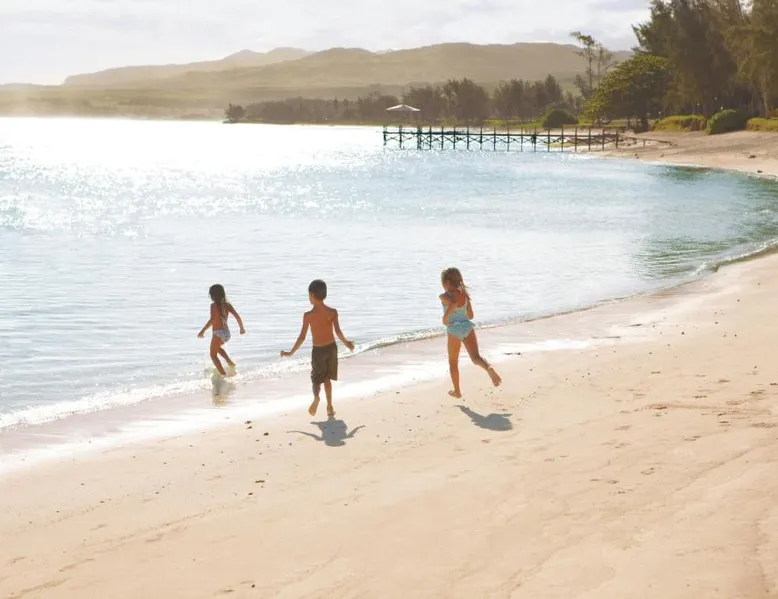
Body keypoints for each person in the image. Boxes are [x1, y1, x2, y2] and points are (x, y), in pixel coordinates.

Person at [280, 279, 355, 417]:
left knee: (316, 380)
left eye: (309, 295)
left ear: (312, 295)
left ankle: (316, 397)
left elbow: (301, 337)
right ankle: (330, 407)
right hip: (331, 348)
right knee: (327, 379)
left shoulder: (308, 316)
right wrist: (347, 343)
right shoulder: (332, 312)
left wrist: (290, 352)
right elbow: (338, 332)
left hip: (318, 350)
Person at [439, 267, 501, 398]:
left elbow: (453, 304)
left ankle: (457, 391)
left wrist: (445, 319)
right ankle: (488, 369)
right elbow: (471, 315)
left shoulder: (444, 296)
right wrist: (462, 313)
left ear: (447, 283)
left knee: (453, 362)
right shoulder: (464, 295)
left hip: (454, 330)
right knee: (475, 358)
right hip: (467, 327)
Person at [198, 284, 246, 379]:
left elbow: (212, 320)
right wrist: (241, 328)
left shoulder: (213, 306)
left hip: (218, 333)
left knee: (213, 355)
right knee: (217, 348)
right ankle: (230, 362)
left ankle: (223, 375)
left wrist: (203, 330)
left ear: (213, 295)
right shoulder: (227, 305)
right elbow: (237, 316)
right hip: (226, 333)